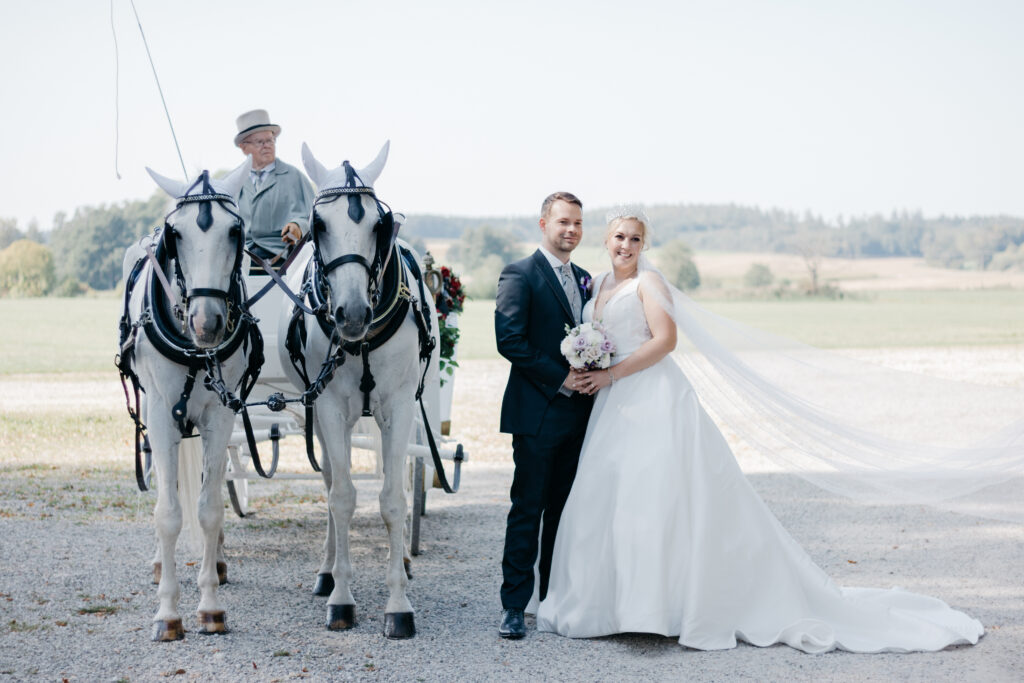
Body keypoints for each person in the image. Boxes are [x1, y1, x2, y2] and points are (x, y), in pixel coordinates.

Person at [535, 208, 985, 653]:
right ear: (606, 240)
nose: (626, 246)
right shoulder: (597, 283)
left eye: (635, 239)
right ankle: (619, 604)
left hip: (652, 397)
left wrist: (612, 374)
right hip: (614, 404)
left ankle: (662, 608)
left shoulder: (648, 283)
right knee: (615, 495)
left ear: (644, 245)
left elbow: (665, 341)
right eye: (619, 237)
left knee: (659, 495)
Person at [494, 192, 594, 640]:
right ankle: (514, 606)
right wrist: (562, 379)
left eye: (577, 223)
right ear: (543, 224)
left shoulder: (589, 279)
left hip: (584, 416)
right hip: (537, 412)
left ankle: (553, 599)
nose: (570, 230)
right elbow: (510, 340)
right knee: (527, 509)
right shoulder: (520, 273)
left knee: (565, 512)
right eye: (562, 222)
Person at [233, 109, 313, 263]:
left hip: (285, 259)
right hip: (240, 259)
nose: (267, 146)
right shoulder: (232, 181)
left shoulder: (295, 177)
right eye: (260, 142)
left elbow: (315, 217)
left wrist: (298, 225)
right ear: (243, 147)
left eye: (270, 140)